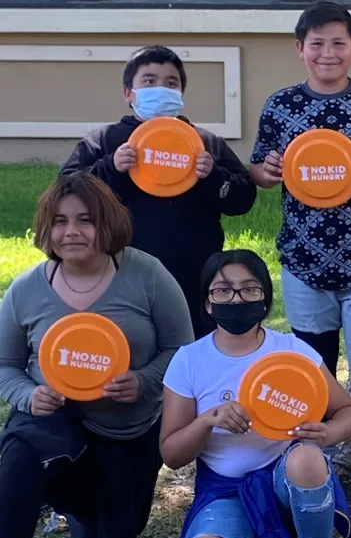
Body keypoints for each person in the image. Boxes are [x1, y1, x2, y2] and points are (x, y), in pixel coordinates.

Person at [0, 172, 193, 538]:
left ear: (107, 224)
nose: (71, 232)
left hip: (126, 429)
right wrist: (29, 395)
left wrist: (142, 381)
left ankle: (82, 514)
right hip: (53, 423)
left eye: (85, 220)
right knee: (17, 457)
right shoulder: (27, 289)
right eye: (60, 221)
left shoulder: (148, 274)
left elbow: (182, 349)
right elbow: (5, 365)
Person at [249, 0, 351, 506]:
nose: (328, 53)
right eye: (317, 44)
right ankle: (317, 462)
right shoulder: (281, 106)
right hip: (304, 262)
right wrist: (266, 171)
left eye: (339, 43)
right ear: (300, 50)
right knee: (311, 367)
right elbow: (260, 170)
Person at [161, 249, 351, 538]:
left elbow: (350, 412)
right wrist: (206, 420)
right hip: (225, 490)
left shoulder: (293, 352)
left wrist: (327, 433)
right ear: (207, 303)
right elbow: (172, 454)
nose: (236, 299)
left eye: (249, 289)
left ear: (265, 299)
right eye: (223, 290)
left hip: (287, 482)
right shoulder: (189, 360)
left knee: (307, 458)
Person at [61, 45, 257, 339]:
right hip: (120, 270)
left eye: (171, 83)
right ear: (129, 93)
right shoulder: (104, 140)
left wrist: (211, 175)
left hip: (193, 273)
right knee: (129, 345)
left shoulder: (204, 142)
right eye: (149, 81)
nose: (161, 89)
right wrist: (111, 167)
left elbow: (243, 198)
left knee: (190, 346)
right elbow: (66, 191)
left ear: (180, 94)